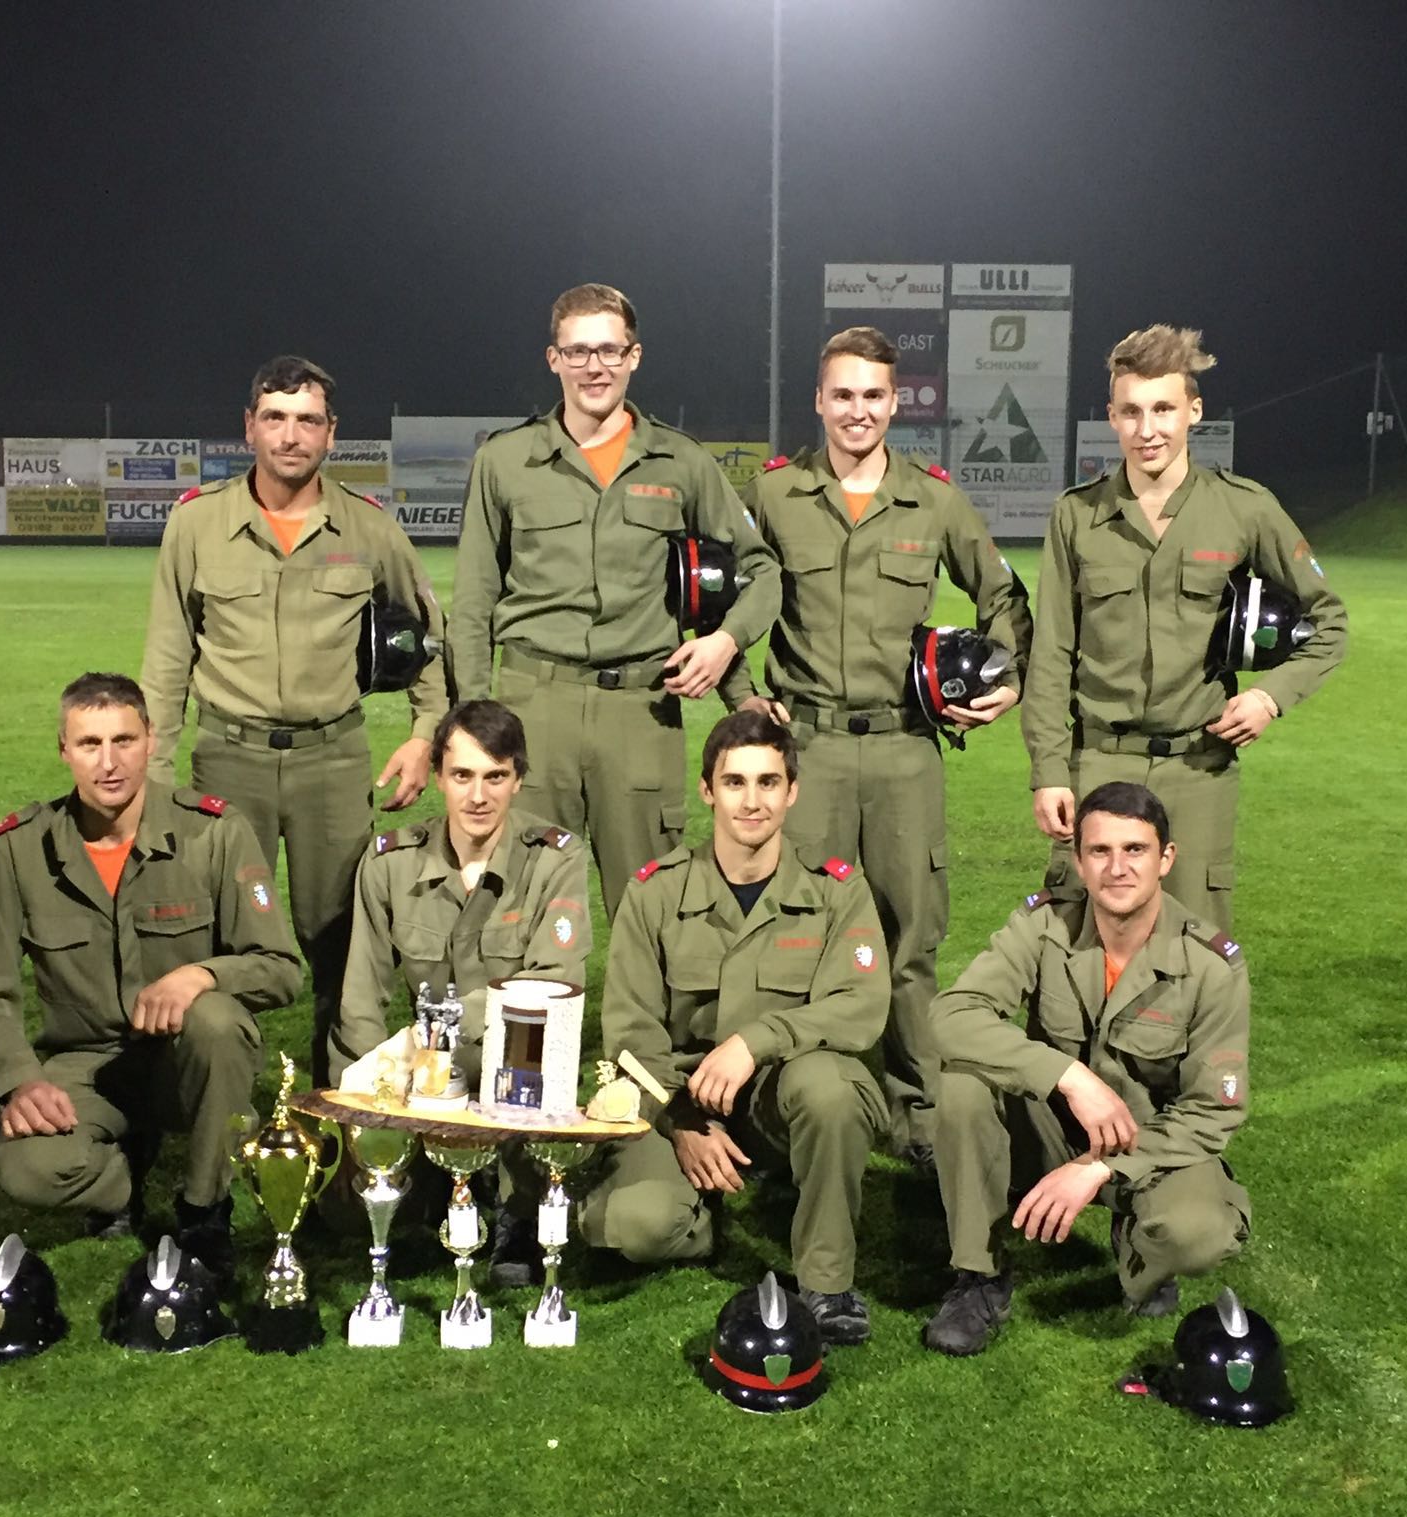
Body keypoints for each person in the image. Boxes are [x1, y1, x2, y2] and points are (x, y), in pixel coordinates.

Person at [728, 325, 1033, 1164]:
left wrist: (1004, 681)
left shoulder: (933, 501)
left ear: (896, 403)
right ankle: (783, 1112)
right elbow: (722, 592)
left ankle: (916, 1113)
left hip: (904, 752)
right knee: (793, 934)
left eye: (873, 396)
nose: (857, 411)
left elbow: (1004, 596)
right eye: (843, 395)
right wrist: (741, 694)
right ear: (819, 401)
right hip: (807, 750)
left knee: (909, 939)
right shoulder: (776, 493)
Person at [139, 355, 448, 1083]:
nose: (290, 435)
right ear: (249, 427)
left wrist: (424, 734)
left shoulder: (367, 527)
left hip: (331, 762)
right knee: (216, 934)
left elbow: (430, 639)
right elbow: (166, 659)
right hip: (228, 758)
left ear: (331, 433)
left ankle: (342, 1104)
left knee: (342, 939)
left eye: (308, 420)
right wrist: (153, 780)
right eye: (275, 418)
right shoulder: (197, 523)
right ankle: (218, 1100)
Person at [446, 283, 780, 918]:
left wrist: (724, 643)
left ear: (634, 356)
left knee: (650, 908)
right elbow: (473, 600)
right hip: (533, 707)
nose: (593, 366)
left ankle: (647, 993)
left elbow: (761, 571)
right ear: (554, 359)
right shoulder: (506, 460)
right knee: (521, 905)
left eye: (608, 350)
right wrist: (469, 717)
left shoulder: (680, 461)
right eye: (577, 352)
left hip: (641, 710)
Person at [0, 673, 302, 1266]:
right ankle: (123, 1181)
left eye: (124, 740)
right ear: (63, 750)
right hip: (85, 1067)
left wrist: (202, 976)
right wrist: (18, 1082)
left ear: (151, 740)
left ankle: (203, 1209)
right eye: (89, 744)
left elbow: (280, 968)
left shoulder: (213, 832)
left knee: (218, 1022)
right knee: (28, 1169)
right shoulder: (17, 849)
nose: (109, 763)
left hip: (181, 1061)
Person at [578, 711, 890, 1346]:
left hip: (783, 1097)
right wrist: (680, 1124)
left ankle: (827, 1282)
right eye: (735, 782)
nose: (752, 801)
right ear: (707, 791)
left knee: (832, 1090)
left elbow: (859, 1005)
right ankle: (704, 1208)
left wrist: (756, 1041)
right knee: (635, 1227)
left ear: (792, 791)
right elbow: (631, 1031)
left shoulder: (837, 890)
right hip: (684, 1100)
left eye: (768, 782)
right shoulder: (655, 893)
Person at [1022, 324, 1347, 931]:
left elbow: (1329, 622)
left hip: (1199, 769)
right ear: (1112, 417)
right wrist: (1048, 772)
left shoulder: (1244, 507)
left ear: (1193, 411)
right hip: (1098, 763)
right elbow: (1051, 654)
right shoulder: (1077, 514)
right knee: (1082, 943)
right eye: (1132, 411)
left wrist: (1269, 698)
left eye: (1164, 409)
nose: (1148, 429)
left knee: (1196, 949)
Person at [922, 782, 1250, 1357]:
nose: (1117, 868)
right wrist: (1069, 1077)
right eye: (1100, 850)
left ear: (1166, 858)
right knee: (962, 1086)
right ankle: (980, 1276)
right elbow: (951, 1015)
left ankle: (1141, 1250)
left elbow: (1211, 1111)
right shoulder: (1043, 925)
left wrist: (1102, 1168)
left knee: (1197, 1232)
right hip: (1051, 1128)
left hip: (1148, 1148)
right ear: (1078, 861)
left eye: (1135, 850)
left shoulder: (1210, 965)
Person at [328, 699, 591, 1283]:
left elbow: (553, 984)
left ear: (518, 780)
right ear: (438, 778)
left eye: (495, 777)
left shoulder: (555, 859)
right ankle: (429, 1188)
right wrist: (359, 1112)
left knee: (530, 1045)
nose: (478, 796)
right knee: (347, 1214)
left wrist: (431, 1032)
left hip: (512, 1064)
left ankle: (520, 1210)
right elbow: (360, 998)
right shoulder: (389, 863)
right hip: (425, 1078)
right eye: (462, 775)